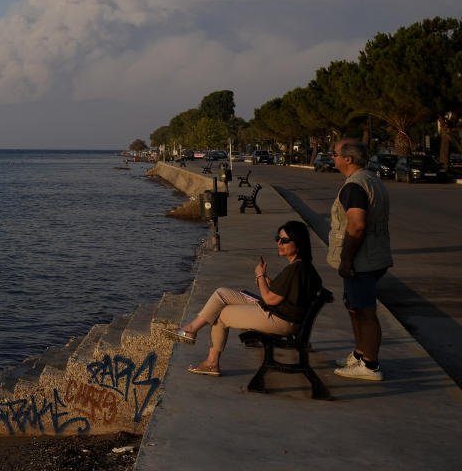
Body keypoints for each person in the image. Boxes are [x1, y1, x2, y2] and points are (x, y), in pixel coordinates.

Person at [160, 220, 322, 376]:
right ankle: (191, 329)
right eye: (278, 239)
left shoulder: (295, 269)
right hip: (282, 313)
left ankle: (211, 363)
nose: (279, 243)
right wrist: (265, 279)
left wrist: (259, 276)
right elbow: (284, 293)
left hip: (281, 320)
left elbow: (270, 299)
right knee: (221, 293)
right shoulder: (303, 267)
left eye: (285, 240)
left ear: (298, 243)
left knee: (221, 314)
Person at [329, 139, 391, 381]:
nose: (331, 157)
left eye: (334, 153)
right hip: (375, 255)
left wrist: (346, 259)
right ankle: (360, 354)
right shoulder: (371, 179)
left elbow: (356, 225)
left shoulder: (354, 186)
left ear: (348, 159)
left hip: (362, 260)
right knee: (354, 307)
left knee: (365, 311)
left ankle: (371, 366)